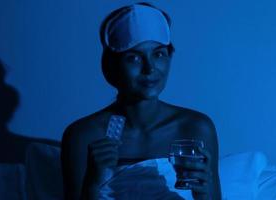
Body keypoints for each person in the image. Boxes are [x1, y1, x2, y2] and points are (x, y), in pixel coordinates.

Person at [61, 2, 222, 200]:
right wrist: (93, 183)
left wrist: (204, 193)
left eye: (159, 54)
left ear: (170, 57)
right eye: (134, 58)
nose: (150, 68)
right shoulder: (84, 135)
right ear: (112, 66)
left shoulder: (195, 128)